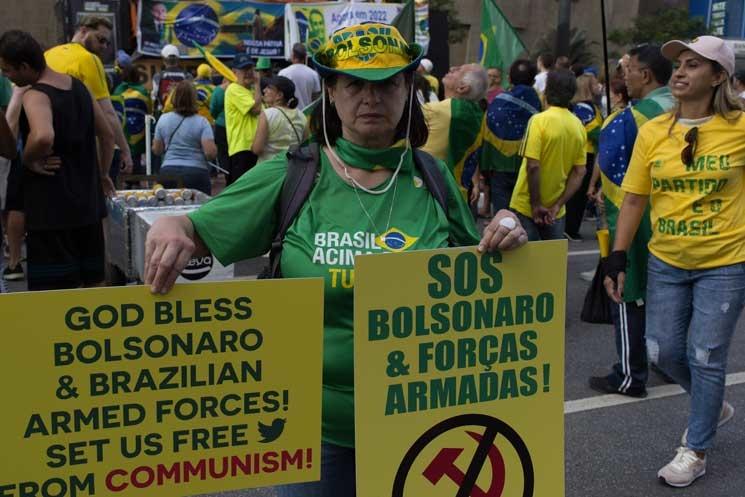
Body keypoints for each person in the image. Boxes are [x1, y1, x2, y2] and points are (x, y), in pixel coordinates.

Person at [142, 22, 528, 496]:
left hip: (421, 426)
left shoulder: (434, 178)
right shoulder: (294, 174)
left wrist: (507, 230)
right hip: (313, 433)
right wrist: (173, 225)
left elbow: (477, 276)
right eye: (355, 85)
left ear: (408, 89)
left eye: (386, 84)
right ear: (330, 91)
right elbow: (198, 229)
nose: (371, 98)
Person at [605, 35, 745, 488]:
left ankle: (695, 449)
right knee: (661, 351)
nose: (681, 72)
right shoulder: (653, 132)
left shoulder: (742, 127)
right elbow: (633, 200)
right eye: (679, 64)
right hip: (666, 262)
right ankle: (713, 403)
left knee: (706, 356)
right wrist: (617, 257)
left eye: (695, 65)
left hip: (726, 263)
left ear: (719, 76)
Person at [589, 44, 675, 399]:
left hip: (638, 216)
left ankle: (629, 375)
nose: (623, 75)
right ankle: (671, 363)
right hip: (678, 218)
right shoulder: (686, 107)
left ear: (646, 74)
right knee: (671, 294)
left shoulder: (630, 118)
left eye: (628, 68)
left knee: (626, 289)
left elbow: (614, 172)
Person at [0, 30, 114, 291]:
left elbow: (42, 136)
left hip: (52, 212)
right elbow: (107, 135)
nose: (6, 76)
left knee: (54, 296)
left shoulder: (35, 94)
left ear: (25, 67)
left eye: (7, 70)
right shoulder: (79, 87)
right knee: (96, 284)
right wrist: (103, 174)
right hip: (88, 207)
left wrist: (28, 159)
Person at [44, 15, 133, 175]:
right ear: (84, 31)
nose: (104, 46)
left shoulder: (48, 54)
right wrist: (125, 151)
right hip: (75, 150)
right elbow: (107, 113)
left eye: (107, 42)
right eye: (101, 39)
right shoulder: (88, 59)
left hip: (45, 151)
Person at [509, 69, 587, 241]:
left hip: (526, 206)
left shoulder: (538, 121)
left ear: (547, 92)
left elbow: (533, 166)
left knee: (526, 263)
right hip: (556, 211)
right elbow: (580, 172)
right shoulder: (578, 126)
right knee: (553, 264)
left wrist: (536, 204)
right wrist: (558, 205)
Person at [478, 59, 540, 214]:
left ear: (510, 79)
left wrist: (484, 169)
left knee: (502, 217)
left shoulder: (496, 103)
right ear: (533, 80)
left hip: (498, 166)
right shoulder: (541, 106)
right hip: (529, 166)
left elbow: (484, 136)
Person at [421, 64, 488, 197]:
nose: (451, 68)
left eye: (459, 70)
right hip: (457, 192)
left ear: (462, 88)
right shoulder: (475, 112)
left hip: (432, 192)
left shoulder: (442, 111)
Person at [152, 81, 216, 194]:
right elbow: (210, 153)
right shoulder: (202, 122)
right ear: (194, 99)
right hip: (196, 173)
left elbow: (157, 150)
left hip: (168, 171)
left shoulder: (163, 119)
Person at [564, 73, 603, 240]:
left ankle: (571, 227)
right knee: (578, 194)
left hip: (588, 153)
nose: (599, 86)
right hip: (584, 153)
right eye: (595, 83)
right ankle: (570, 228)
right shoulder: (584, 107)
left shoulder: (589, 106)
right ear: (587, 87)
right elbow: (589, 130)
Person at [225, 54, 262, 185]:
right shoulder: (234, 89)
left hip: (252, 148)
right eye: (244, 70)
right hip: (242, 149)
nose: (248, 73)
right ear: (235, 72)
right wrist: (258, 84)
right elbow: (256, 109)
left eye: (250, 69)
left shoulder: (249, 91)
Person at [251, 76, 307, 163]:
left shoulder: (267, 114)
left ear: (279, 95)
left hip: (268, 168)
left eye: (269, 88)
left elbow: (257, 149)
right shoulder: (302, 116)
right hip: (292, 167)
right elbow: (304, 145)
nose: (264, 90)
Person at [113, 64, 152, 181]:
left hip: (122, 133)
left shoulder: (117, 90)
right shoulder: (143, 91)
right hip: (138, 133)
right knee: (137, 161)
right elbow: (149, 111)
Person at [151, 44, 192, 113]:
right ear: (178, 60)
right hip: (183, 113)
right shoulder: (188, 76)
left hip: (164, 114)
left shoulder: (157, 76)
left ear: (164, 60)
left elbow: (154, 97)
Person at [278, 43, 320, 110]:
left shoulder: (283, 73)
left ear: (293, 55)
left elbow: (279, 97)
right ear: (305, 56)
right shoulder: (313, 74)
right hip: (307, 116)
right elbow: (315, 99)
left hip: (288, 115)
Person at [210, 76, 230, 178]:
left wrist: (217, 117)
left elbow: (213, 109)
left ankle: (226, 175)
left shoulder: (219, 90)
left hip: (221, 125)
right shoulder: (243, 89)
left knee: (223, 153)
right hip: (238, 126)